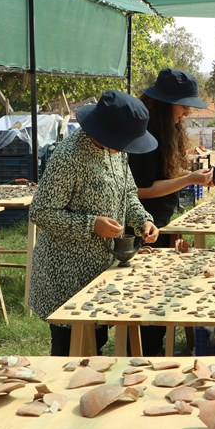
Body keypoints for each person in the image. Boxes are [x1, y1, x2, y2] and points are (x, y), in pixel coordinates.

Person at [29, 90, 160, 356]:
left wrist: (143, 220)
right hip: (65, 275)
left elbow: (128, 194)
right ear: (105, 131)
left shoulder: (116, 153)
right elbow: (41, 212)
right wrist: (91, 225)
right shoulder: (69, 157)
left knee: (95, 343)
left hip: (99, 271)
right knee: (69, 353)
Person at [129, 68, 214, 247]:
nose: (187, 113)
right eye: (183, 106)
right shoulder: (145, 135)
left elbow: (166, 171)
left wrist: (198, 175)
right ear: (165, 103)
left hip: (161, 223)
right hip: (142, 230)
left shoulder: (164, 128)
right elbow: (140, 190)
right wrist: (189, 179)